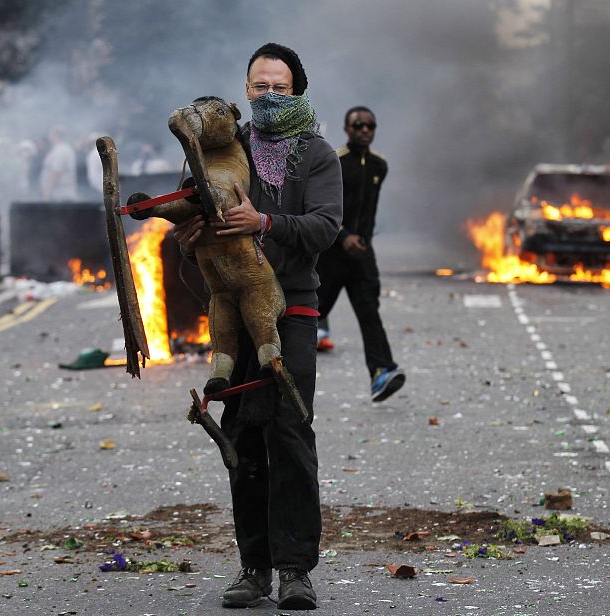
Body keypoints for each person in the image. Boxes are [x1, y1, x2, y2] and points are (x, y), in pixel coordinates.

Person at [172, 43, 341, 610]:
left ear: (298, 91)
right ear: (245, 90)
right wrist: (188, 236)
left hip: (291, 307)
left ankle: (296, 569)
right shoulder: (219, 149)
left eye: (281, 87)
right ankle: (253, 567)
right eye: (259, 86)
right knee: (242, 433)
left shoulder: (318, 155)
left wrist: (265, 220)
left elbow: (325, 228)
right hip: (233, 312)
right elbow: (187, 222)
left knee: (289, 432)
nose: (269, 96)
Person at [315, 106, 405, 402]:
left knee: (369, 312)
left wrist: (361, 240)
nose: (365, 130)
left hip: (363, 255)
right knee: (311, 315)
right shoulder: (334, 163)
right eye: (358, 125)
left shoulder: (380, 165)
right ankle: (277, 369)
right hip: (332, 254)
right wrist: (343, 236)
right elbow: (323, 206)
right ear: (347, 129)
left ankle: (382, 371)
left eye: (370, 125)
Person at [40, 126, 78, 201]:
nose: (48, 136)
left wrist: (47, 192)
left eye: (50, 133)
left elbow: (57, 172)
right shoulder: (59, 149)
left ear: (55, 135)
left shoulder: (61, 151)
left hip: (61, 196)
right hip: (58, 195)